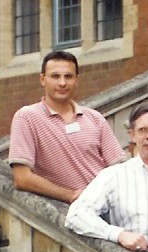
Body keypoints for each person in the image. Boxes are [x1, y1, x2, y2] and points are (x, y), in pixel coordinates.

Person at [65, 102, 148, 252]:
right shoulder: (114, 176)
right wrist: (118, 234)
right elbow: (76, 215)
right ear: (132, 135)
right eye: (142, 130)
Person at [8, 50, 124, 202]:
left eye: (68, 76)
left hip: (108, 203)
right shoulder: (27, 117)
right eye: (55, 76)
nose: (62, 83)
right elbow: (22, 178)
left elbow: (120, 169)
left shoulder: (95, 118)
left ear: (76, 80)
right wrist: (70, 195)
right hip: (71, 209)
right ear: (42, 79)